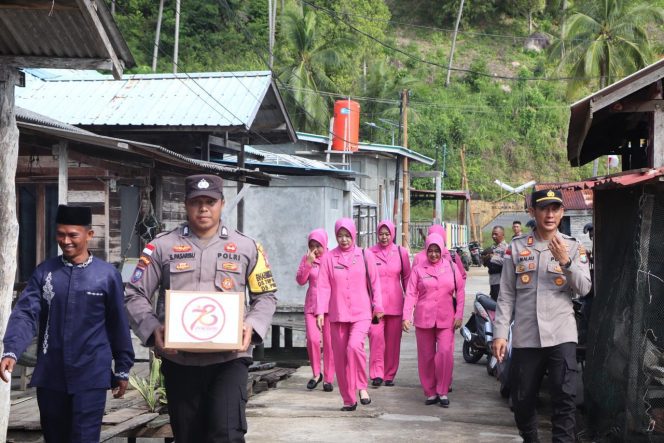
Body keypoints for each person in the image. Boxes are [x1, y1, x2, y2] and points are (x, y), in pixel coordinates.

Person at [124, 174, 277, 442]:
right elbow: (133, 294)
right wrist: (152, 330)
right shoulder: (160, 247)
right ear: (185, 204)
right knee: (188, 437)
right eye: (196, 202)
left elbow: (266, 296)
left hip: (229, 360)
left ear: (222, 203)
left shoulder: (247, 247)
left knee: (227, 434)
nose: (203, 208)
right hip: (180, 361)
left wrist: (252, 326)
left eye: (210, 201)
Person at [0, 205, 134, 442]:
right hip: (51, 376)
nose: (66, 241)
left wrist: (122, 367)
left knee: (84, 438)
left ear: (89, 235)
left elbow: (118, 324)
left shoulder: (106, 276)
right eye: (61, 234)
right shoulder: (45, 273)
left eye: (73, 235)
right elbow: (25, 313)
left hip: (91, 375)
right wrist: (11, 349)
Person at [492, 189, 592, 443]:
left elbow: (585, 288)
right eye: (544, 208)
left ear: (561, 213)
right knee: (522, 399)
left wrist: (566, 263)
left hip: (561, 335)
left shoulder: (573, 246)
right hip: (527, 336)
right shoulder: (515, 248)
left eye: (555, 209)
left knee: (565, 399)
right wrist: (501, 334)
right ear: (532, 212)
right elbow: (505, 295)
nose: (549, 214)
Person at [316, 218, 383, 411]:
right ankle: (348, 399)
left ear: (353, 234)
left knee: (354, 347)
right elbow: (323, 286)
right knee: (340, 359)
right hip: (338, 314)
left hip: (362, 312)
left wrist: (378, 306)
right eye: (340, 235)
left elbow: (375, 283)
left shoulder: (365, 254)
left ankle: (362, 386)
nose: (344, 239)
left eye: (347, 235)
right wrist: (321, 311)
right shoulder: (329, 257)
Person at [403, 233, 465, 408]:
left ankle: (443, 390)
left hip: (446, 319)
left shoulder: (451, 267)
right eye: (430, 251)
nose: (433, 254)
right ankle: (430, 391)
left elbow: (460, 292)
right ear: (426, 251)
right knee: (426, 357)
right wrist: (406, 316)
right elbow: (410, 294)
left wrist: (459, 314)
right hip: (424, 319)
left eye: (437, 251)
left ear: (442, 250)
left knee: (445, 353)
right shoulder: (418, 269)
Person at [368, 220, 411, 387]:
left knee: (393, 343)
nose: (384, 237)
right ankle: (377, 374)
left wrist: (410, 304)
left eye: (387, 234)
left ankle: (389, 375)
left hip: (396, 305)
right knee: (376, 338)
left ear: (392, 234)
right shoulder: (370, 253)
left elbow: (407, 278)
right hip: (375, 307)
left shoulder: (401, 252)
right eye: (381, 233)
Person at [296, 228, 334, 392]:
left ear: (325, 244)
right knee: (312, 340)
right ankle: (316, 374)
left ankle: (328, 378)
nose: (316, 250)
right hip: (311, 305)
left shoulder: (332, 258)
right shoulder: (307, 259)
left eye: (318, 246)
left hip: (329, 307)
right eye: (312, 246)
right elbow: (300, 280)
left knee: (329, 343)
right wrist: (308, 263)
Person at [482, 226, 508, 301]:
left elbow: (507, 262)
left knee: (499, 303)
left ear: (502, 234)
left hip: (501, 282)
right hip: (493, 280)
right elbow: (486, 263)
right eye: (492, 234)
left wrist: (493, 257)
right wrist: (485, 259)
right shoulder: (492, 247)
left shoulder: (506, 247)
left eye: (496, 234)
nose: (493, 236)